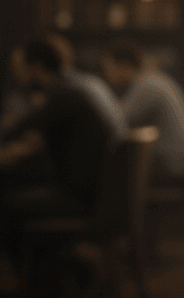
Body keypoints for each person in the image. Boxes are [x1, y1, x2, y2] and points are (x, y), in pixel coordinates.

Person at [1, 37, 118, 223]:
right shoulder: (70, 87)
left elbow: (15, 131)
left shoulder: (60, 94)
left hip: (81, 197)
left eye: (22, 64)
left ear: (37, 66)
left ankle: (32, 252)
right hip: (97, 192)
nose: (16, 70)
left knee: (6, 202)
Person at [100, 41, 184, 180]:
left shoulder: (147, 85)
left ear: (123, 66)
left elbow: (114, 119)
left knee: (107, 168)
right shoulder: (155, 79)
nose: (105, 73)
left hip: (173, 164)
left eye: (107, 67)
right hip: (181, 160)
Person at [46, 33, 127, 141]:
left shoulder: (65, 88)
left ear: (37, 66)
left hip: (102, 154)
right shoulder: (92, 82)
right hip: (116, 151)